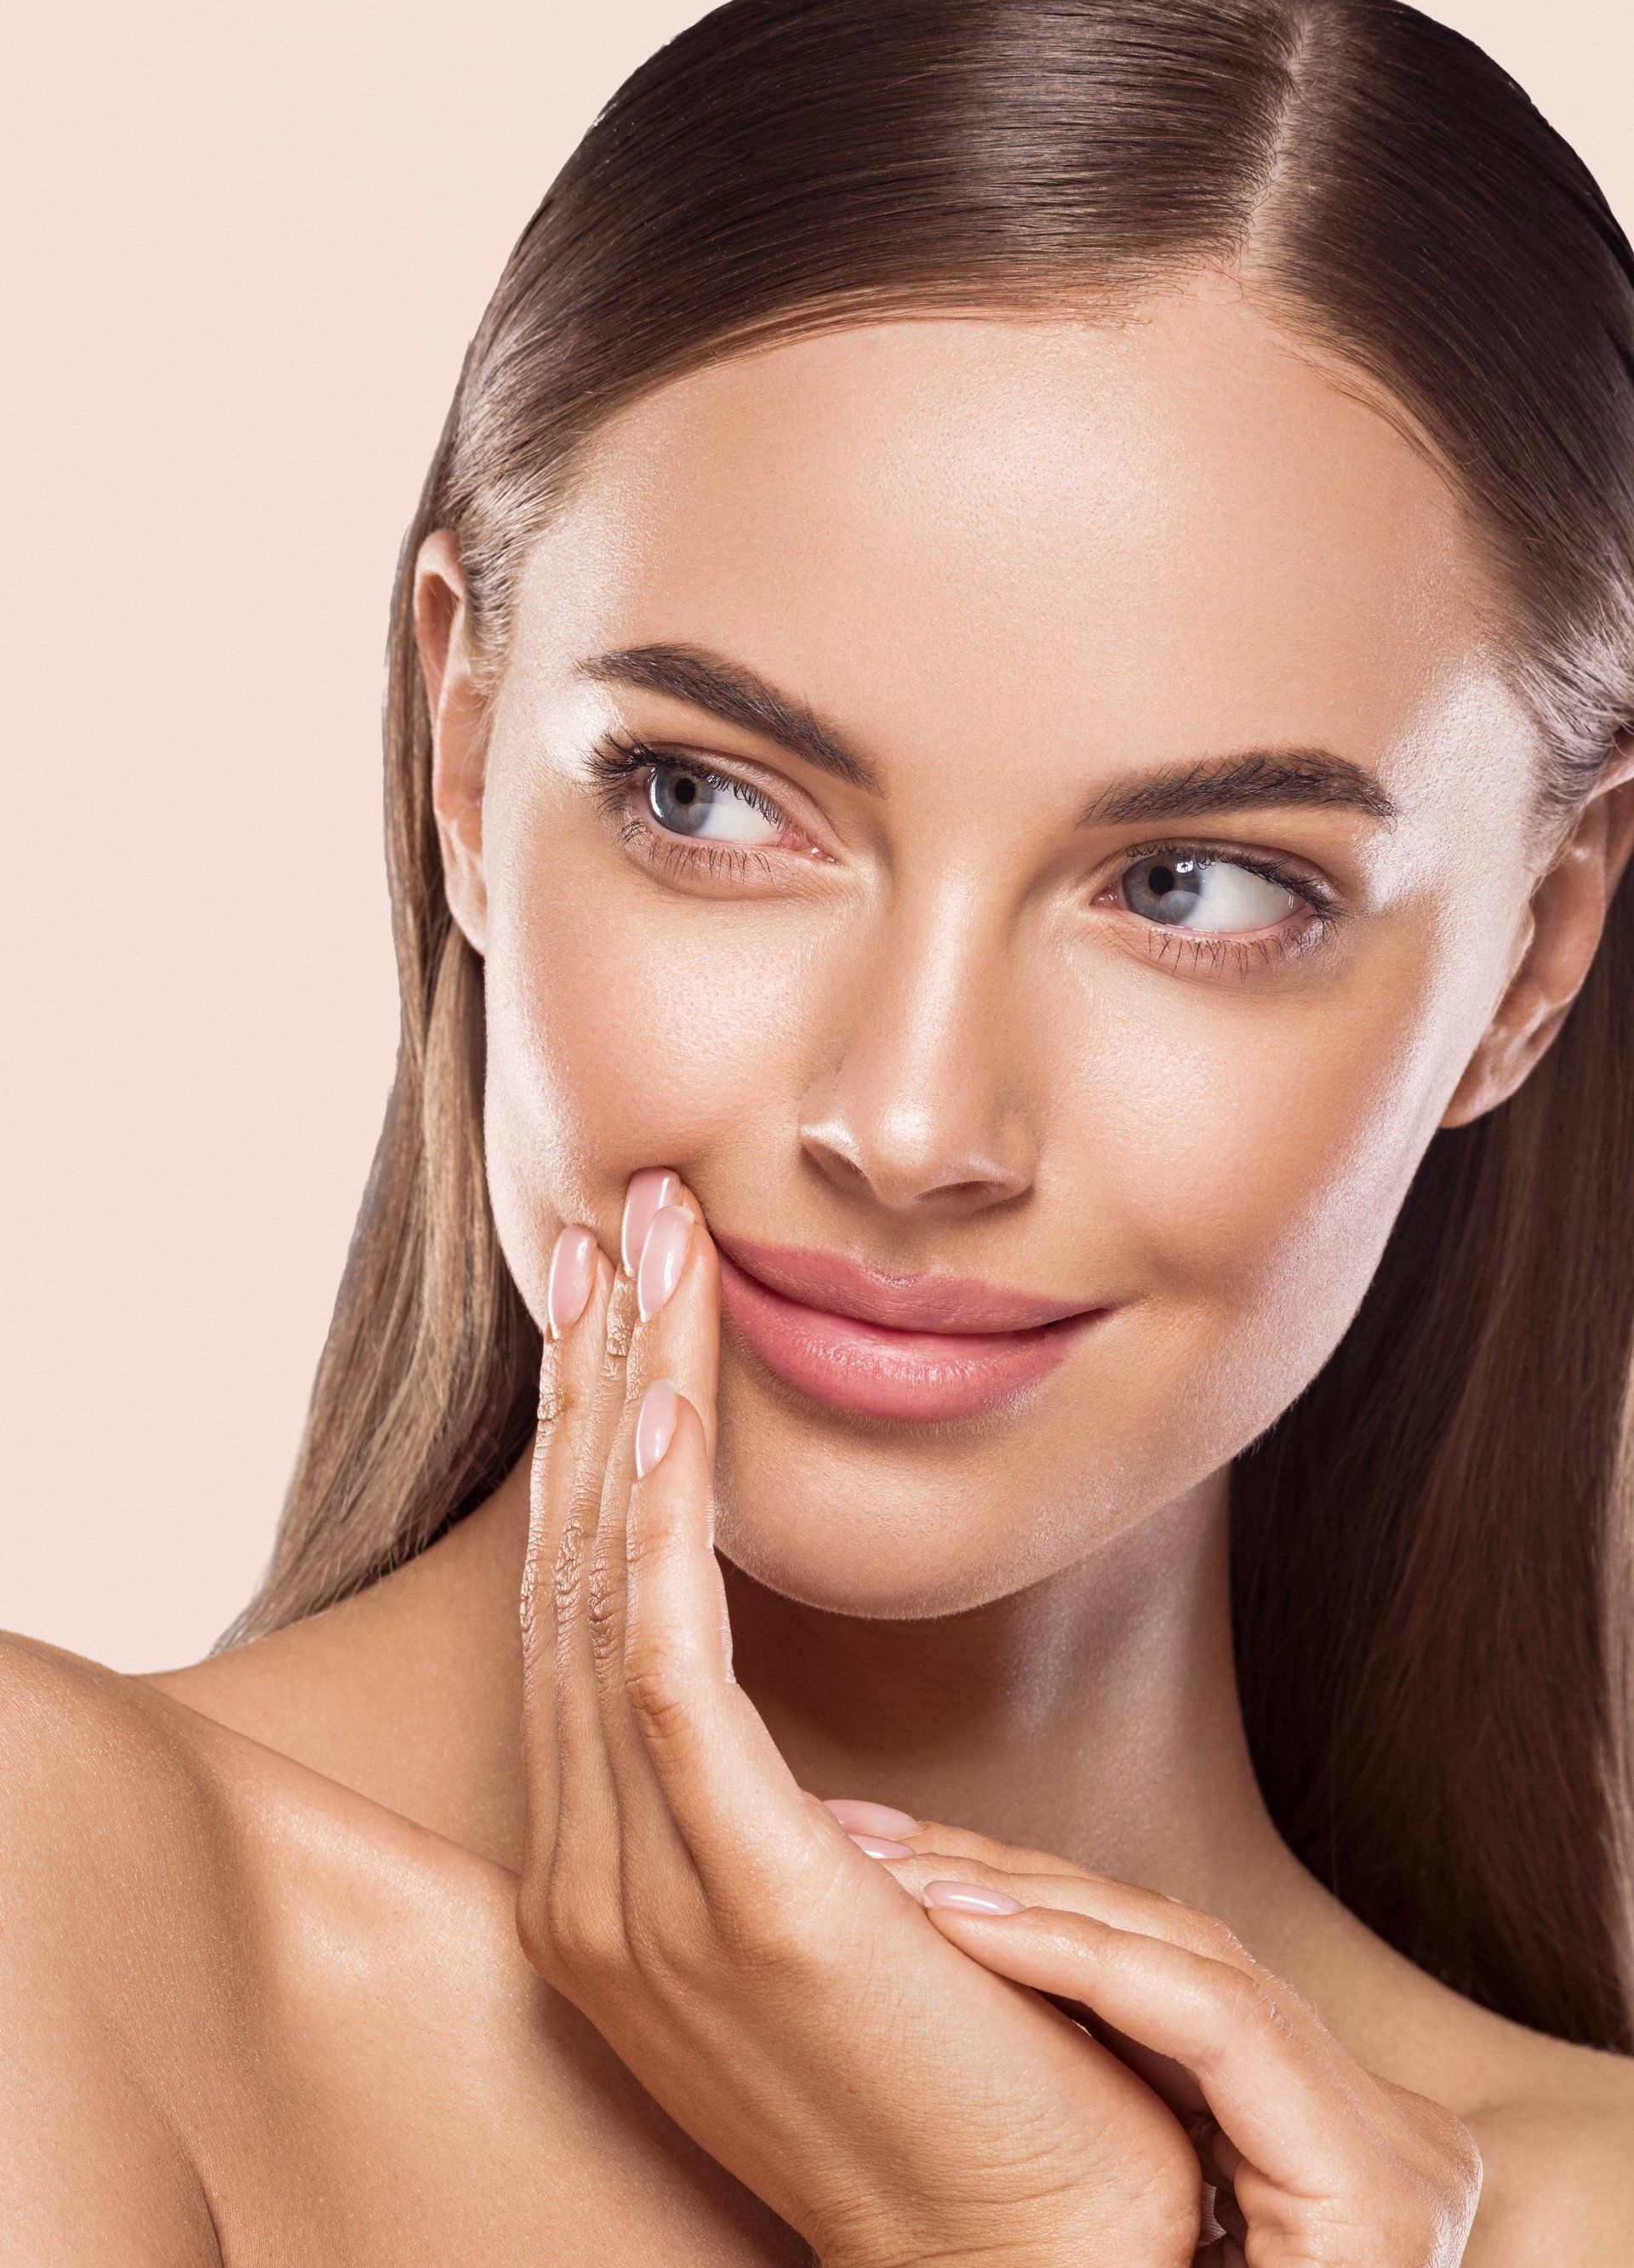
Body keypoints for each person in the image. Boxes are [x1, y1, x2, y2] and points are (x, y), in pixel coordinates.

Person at [7, 0, 1634, 2257]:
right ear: (466, 761)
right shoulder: (59, 1931)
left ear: (1536, 953)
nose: (910, 1118)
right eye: (711, 799)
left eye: (1195, 885)